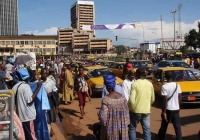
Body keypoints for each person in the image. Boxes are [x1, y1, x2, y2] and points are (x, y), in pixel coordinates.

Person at [99, 73, 130, 140]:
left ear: (106, 85)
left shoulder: (106, 99)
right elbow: (127, 115)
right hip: (123, 128)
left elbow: (103, 119)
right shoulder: (122, 98)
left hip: (111, 128)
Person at [12, 69, 41, 140]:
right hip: (28, 116)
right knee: (32, 136)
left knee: (25, 136)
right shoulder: (26, 87)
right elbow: (30, 101)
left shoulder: (14, 87)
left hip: (20, 116)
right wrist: (38, 88)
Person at [128, 68, 155, 140]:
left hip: (135, 111)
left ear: (137, 75)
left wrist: (130, 108)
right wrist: (148, 105)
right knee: (147, 130)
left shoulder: (135, 84)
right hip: (146, 110)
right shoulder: (150, 84)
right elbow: (153, 99)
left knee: (132, 128)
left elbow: (131, 100)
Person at [157, 71, 182, 140]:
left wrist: (164, 112)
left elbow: (165, 100)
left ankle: (161, 137)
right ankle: (179, 138)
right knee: (177, 126)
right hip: (176, 108)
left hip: (168, 109)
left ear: (165, 77)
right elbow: (180, 97)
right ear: (172, 76)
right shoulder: (177, 85)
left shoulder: (164, 87)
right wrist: (178, 106)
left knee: (164, 124)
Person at [40, 68, 58, 136]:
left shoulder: (51, 82)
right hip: (41, 102)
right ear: (41, 74)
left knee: (49, 115)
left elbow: (55, 91)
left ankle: (49, 129)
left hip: (49, 101)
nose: (44, 75)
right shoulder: (39, 82)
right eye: (43, 73)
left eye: (45, 73)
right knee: (43, 115)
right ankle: (48, 130)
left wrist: (51, 94)